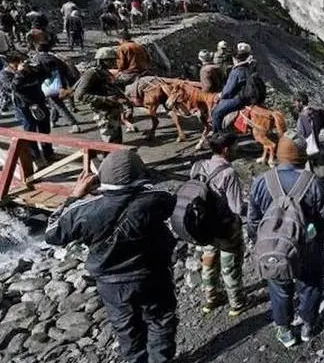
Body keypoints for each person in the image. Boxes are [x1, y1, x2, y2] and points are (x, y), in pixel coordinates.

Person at [45, 150, 178, 363]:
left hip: (111, 283)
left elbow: (52, 233)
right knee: (161, 321)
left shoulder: (83, 211)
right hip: (152, 274)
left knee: (126, 330)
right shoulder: (157, 199)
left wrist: (74, 196)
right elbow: (170, 199)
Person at [247, 131, 324, 348]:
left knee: (279, 286)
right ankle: (307, 325)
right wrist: (317, 239)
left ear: (278, 154)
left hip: (276, 248)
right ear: (302, 157)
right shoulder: (313, 183)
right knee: (311, 283)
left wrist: (261, 241)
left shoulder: (261, 181)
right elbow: (323, 224)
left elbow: (253, 221)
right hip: (307, 247)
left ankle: (284, 330)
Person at [190, 133, 248, 316]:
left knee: (209, 261)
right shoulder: (228, 173)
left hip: (204, 225)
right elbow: (236, 208)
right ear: (226, 150)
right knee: (229, 264)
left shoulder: (199, 166)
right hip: (225, 228)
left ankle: (211, 298)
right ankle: (237, 303)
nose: (238, 149)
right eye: (236, 146)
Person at [0, 52, 54, 166]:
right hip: (23, 106)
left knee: (45, 129)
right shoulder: (5, 74)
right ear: (10, 64)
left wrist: (38, 67)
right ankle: (37, 158)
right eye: (15, 64)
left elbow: (47, 75)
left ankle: (48, 153)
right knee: (30, 132)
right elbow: (12, 87)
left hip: (39, 102)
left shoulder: (30, 70)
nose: (19, 65)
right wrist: (20, 73)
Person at [75, 47, 126, 143]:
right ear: (102, 60)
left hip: (113, 112)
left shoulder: (105, 73)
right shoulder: (91, 74)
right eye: (111, 60)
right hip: (103, 113)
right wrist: (106, 99)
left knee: (117, 141)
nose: (114, 62)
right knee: (109, 142)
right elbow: (79, 95)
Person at [28, 43, 81, 133]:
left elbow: (34, 72)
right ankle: (53, 121)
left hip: (47, 85)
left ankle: (74, 124)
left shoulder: (37, 59)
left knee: (59, 105)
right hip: (59, 84)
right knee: (55, 102)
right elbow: (64, 69)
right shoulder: (55, 58)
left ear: (38, 50)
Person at [211, 43, 253, 133]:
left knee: (216, 113)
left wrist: (220, 95)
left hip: (238, 99)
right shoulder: (250, 67)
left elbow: (228, 91)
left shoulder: (237, 71)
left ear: (235, 58)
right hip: (249, 97)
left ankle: (218, 135)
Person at [293, 92, 322, 171]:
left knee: (308, 170)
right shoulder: (313, 112)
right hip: (315, 144)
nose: (295, 105)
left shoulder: (303, 116)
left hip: (307, 147)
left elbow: (303, 133)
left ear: (301, 102)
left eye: (296, 103)